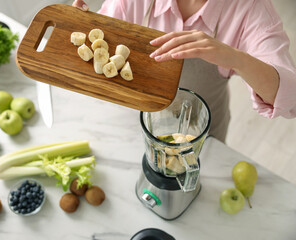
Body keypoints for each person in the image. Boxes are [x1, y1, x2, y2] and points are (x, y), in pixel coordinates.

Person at [72, 0, 296, 142]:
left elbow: (289, 96)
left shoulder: (251, 8)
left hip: (202, 134)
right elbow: (105, 36)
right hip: (136, 118)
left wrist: (237, 59)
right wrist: (84, 30)